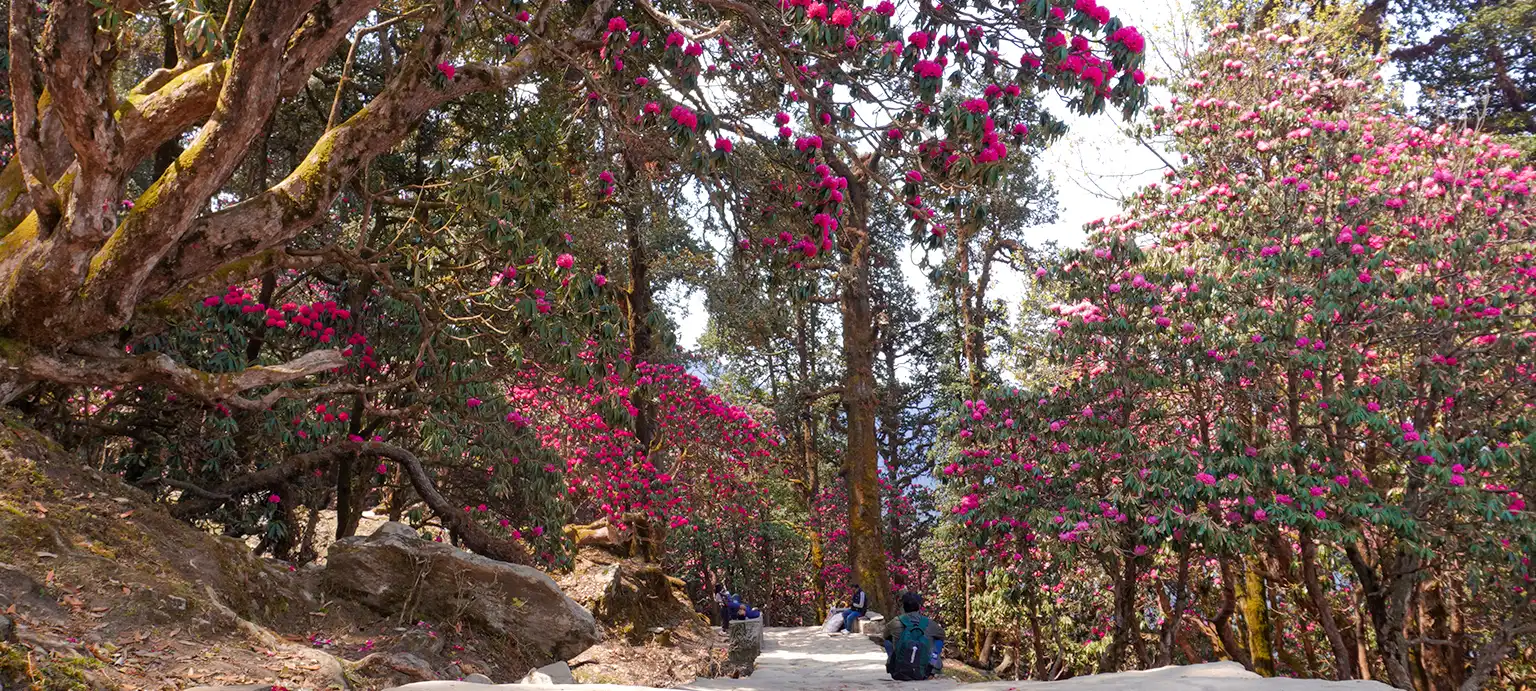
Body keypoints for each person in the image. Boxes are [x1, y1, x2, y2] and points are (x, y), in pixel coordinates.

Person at [883, 591, 945, 681]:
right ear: (919, 607)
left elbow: (885, 636)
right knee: (938, 640)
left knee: (887, 641)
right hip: (923, 673)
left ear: (903, 607)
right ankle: (932, 669)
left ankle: (893, 664)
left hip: (899, 673)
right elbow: (942, 635)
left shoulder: (895, 622)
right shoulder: (928, 623)